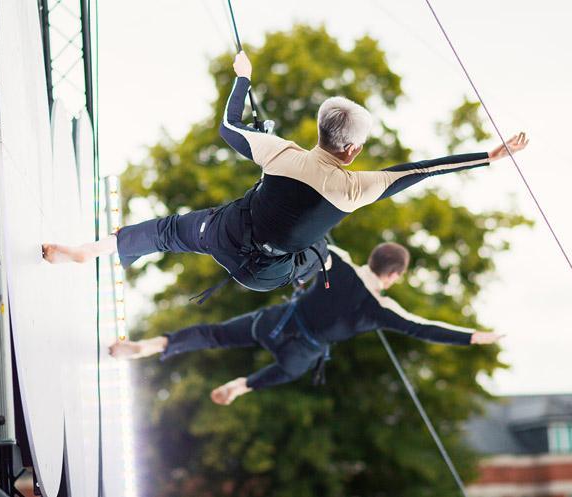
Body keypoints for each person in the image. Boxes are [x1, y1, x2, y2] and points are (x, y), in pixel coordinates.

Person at [42, 51, 528, 299]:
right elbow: (422, 170)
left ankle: (88, 250)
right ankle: (305, 279)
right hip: (266, 275)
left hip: (224, 236)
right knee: (322, 254)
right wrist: (489, 155)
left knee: (167, 231)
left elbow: (229, 126)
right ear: (354, 149)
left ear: (320, 130)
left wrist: (243, 76)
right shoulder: (357, 187)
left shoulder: (281, 152)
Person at [108, 242, 503, 405]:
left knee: (217, 334)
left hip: (278, 322)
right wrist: (475, 337)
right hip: (299, 353)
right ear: (395, 275)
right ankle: (244, 385)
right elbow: (425, 327)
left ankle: (154, 345)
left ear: (373, 260)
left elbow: (312, 243)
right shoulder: (384, 310)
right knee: (285, 373)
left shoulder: (341, 258)